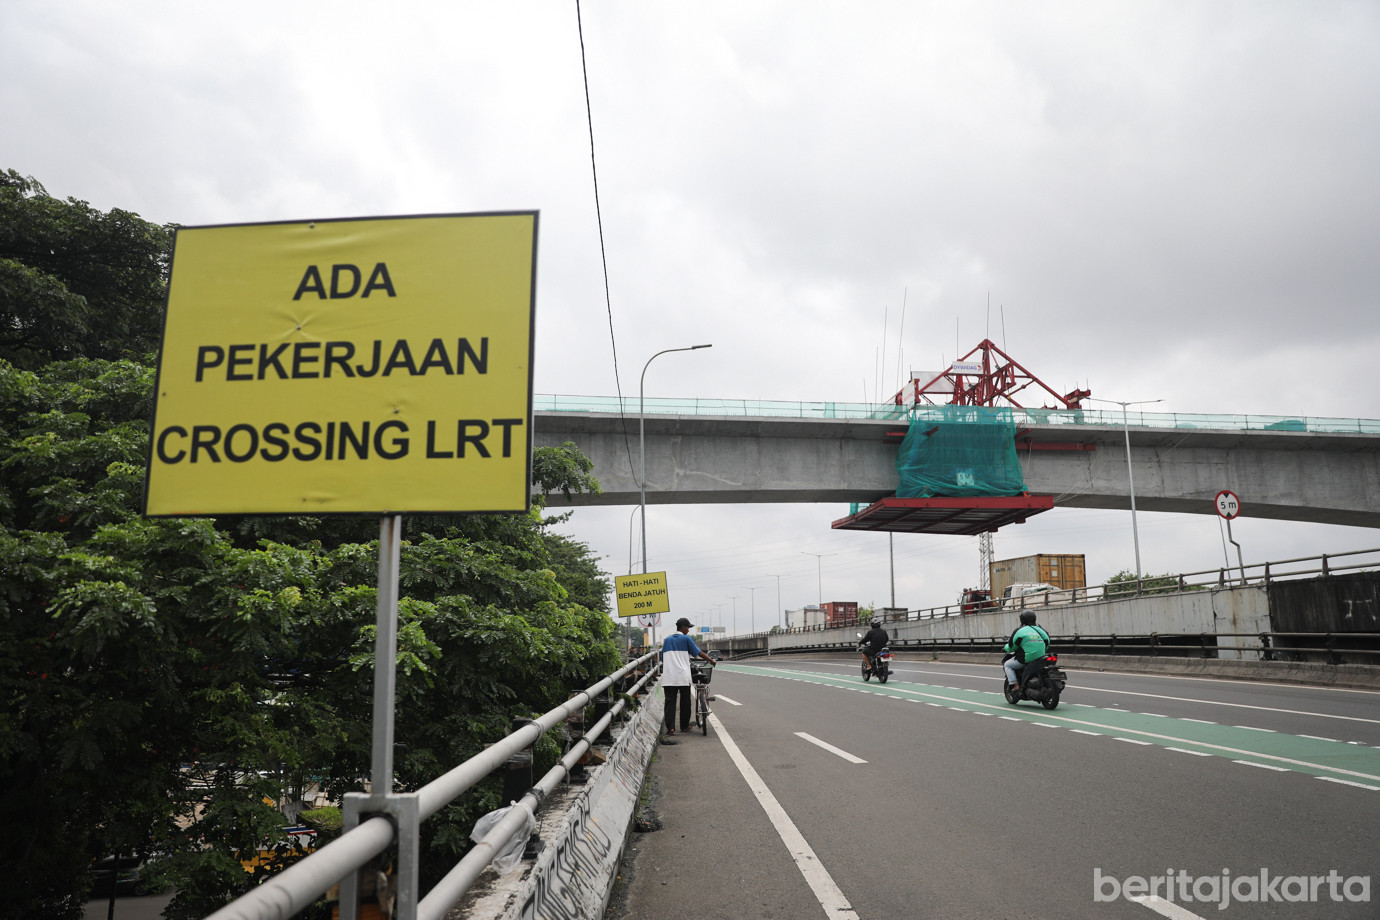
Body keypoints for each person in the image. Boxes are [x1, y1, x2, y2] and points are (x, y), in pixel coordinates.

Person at [660, 616, 715, 742]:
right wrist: (710, 660)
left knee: (670, 703)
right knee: (685, 702)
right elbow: (699, 653)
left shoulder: (667, 640)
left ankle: (671, 728)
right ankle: (684, 726)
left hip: (669, 676)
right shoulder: (686, 639)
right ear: (683, 628)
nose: (688, 631)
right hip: (683, 676)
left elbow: (663, 658)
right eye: (688, 628)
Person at [1002, 610, 1051, 688]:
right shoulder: (1041, 630)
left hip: (1027, 659)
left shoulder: (1019, 631)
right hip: (1042, 657)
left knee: (1007, 665)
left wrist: (1005, 648)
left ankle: (1016, 685)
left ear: (1022, 620)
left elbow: (1012, 647)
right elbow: (1047, 642)